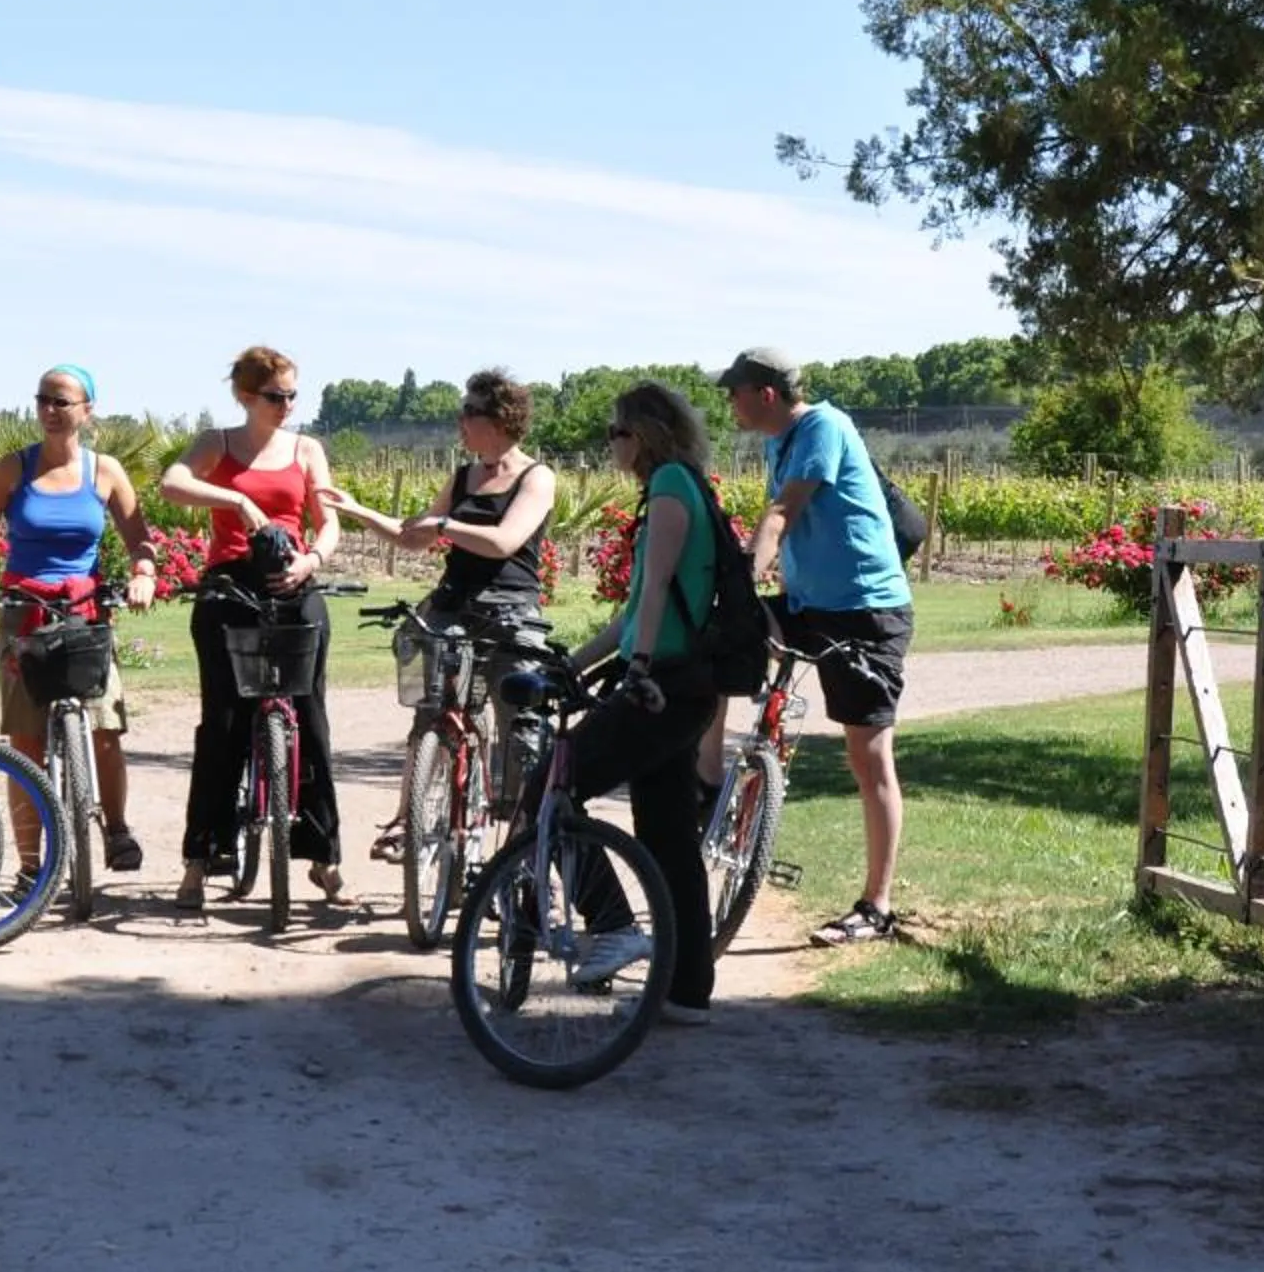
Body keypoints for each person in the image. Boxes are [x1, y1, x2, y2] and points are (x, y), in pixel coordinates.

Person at [717, 345, 915, 946]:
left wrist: (744, 578)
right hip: (809, 606)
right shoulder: (777, 441)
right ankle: (716, 784)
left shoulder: (824, 427)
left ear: (766, 394)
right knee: (712, 648)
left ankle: (876, 907)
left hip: (865, 612)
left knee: (869, 754)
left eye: (736, 391)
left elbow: (782, 512)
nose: (730, 401)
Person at [320, 367, 555, 861]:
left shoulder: (537, 478)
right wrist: (358, 509)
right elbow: (413, 535)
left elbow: (505, 542)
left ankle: (522, 846)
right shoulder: (464, 476)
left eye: (468, 412)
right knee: (428, 713)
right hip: (453, 607)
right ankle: (409, 819)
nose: (460, 422)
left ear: (500, 418)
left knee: (521, 730)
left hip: (511, 612)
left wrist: (447, 522)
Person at [551, 381, 727, 1023]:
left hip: (662, 686)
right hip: (682, 685)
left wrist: (638, 669)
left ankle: (612, 925)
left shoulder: (672, 490)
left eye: (615, 433)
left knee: (555, 781)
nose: (610, 445)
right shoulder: (686, 484)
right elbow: (634, 613)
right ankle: (686, 992)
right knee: (668, 836)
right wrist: (574, 663)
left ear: (644, 435)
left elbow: (653, 593)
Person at [0, 363, 164, 880]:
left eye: (61, 401)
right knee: (26, 743)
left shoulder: (105, 471)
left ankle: (116, 829)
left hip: (85, 613)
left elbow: (141, 541)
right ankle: (29, 865)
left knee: (105, 728)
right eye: (43, 399)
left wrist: (144, 575)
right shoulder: (13, 469)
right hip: (24, 612)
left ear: (86, 411)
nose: (49, 410)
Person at [158, 345, 351, 913]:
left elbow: (328, 519)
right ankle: (201, 857)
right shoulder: (217, 444)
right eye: (275, 396)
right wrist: (237, 500)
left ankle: (324, 853)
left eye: (293, 395)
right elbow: (172, 483)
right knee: (222, 721)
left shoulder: (306, 449)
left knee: (311, 716)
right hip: (231, 585)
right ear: (245, 396)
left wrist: (313, 560)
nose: (287, 405)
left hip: (292, 578)